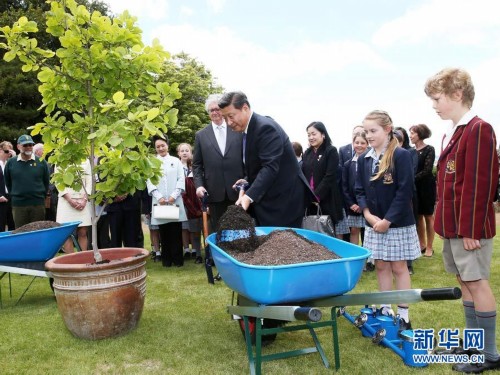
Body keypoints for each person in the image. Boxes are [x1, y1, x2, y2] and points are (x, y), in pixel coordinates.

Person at [425, 68, 499, 372]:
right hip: (453, 227)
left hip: (469, 229)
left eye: (437, 98)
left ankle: (490, 354)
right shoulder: (454, 131)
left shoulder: (478, 128)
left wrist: (470, 230)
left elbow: (480, 185)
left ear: (457, 95)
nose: (434, 105)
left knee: (477, 283)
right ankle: (472, 345)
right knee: (464, 281)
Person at [355, 110, 420, 330]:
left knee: (399, 267)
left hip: (396, 223)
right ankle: (384, 307)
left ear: (387, 129)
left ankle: (404, 315)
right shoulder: (365, 158)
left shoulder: (400, 155)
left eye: (373, 131)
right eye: (366, 131)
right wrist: (367, 214)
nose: (369, 135)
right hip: (373, 223)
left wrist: (388, 220)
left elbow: (405, 191)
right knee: (381, 265)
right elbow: (359, 190)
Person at [218, 91, 311, 227]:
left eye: (231, 116)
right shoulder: (246, 132)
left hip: (283, 200)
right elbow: (258, 166)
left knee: (283, 245)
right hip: (268, 199)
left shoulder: (265, 128)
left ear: (245, 108)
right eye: (225, 118)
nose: (228, 122)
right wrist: (247, 181)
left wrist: (248, 197)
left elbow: (270, 167)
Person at [193, 94, 245, 233]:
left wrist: (246, 180)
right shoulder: (201, 135)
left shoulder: (237, 129)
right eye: (211, 110)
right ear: (208, 113)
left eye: (217, 109)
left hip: (238, 191)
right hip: (214, 192)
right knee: (219, 231)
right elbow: (197, 165)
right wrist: (199, 186)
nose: (215, 112)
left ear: (222, 110)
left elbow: (246, 158)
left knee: (240, 229)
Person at [147, 136, 187, 268]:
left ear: (167, 145)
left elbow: (181, 179)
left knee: (176, 231)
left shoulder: (176, 161)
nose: (160, 148)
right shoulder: (151, 162)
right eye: (158, 146)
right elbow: (149, 181)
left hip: (174, 201)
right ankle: (166, 261)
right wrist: (159, 197)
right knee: (163, 232)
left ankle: (178, 260)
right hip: (160, 202)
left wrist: (173, 196)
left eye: (162, 145)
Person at [302, 121, 345, 237]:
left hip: (327, 199)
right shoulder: (307, 153)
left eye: (314, 134)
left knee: (328, 233)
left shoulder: (331, 151)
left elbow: (330, 176)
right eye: (309, 135)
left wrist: (317, 195)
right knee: (311, 235)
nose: (311, 137)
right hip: (310, 201)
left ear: (323, 134)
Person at [4, 135, 50, 228]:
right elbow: (8, 182)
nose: (28, 147)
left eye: (30, 145)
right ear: (18, 146)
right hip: (18, 205)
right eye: (25, 145)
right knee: (21, 233)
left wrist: (40, 195)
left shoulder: (41, 162)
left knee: (37, 232)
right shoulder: (11, 163)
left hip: (38, 204)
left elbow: (46, 182)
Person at [409, 124, 436, 258]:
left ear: (420, 134)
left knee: (428, 216)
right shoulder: (411, 151)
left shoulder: (429, 149)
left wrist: (411, 179)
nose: (410, 136)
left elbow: (427, 170)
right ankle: (422, 244)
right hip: (415, 188)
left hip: (426, 187)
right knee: (418, 216)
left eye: (412, 133)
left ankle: (430, 247)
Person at [395, 126, 419, 275]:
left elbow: (411, 174)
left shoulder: (408, 153)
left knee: (406, 228)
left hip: (407, 197)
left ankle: (408, 264)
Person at [56, 159, 92, 252]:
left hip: (82, 201)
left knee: (83, 232)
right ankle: (70, 262)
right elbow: (58, 182)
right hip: (66, 202)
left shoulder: (85, 160)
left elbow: (89, 181)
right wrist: (70, 200)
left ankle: (83, 259)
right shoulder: (60, 159)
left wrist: (84, 199)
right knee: (67, 233)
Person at [178, 143, 203, 264]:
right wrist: (194, 210)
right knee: (194, 232)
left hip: (205, 209)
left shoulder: (204, 177)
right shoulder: (187, 180)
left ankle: (209, 253)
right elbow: (185, 196)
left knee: (207, 231)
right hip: (192, 210)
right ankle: (197, 254)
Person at [342, 131, 368, 246]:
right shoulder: (348, 164)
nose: (359, 145)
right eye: (356, 142)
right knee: (354, 230)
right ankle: (355, 256)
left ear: (367, 144)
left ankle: (370, 259)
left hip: (368, 205)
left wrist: (364, 204)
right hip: (353, 206)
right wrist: (351, 204)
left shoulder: (371, 162)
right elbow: (344, 186)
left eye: (362, 143)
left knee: (368, 232)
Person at [0, 141, 16, 231]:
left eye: (10, 152)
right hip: (0, 197)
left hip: (11, 197)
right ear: (0, 151)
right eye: (7, 152)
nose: (8, 155)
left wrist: (14, 157)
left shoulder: (11, 164)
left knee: (13, 225)